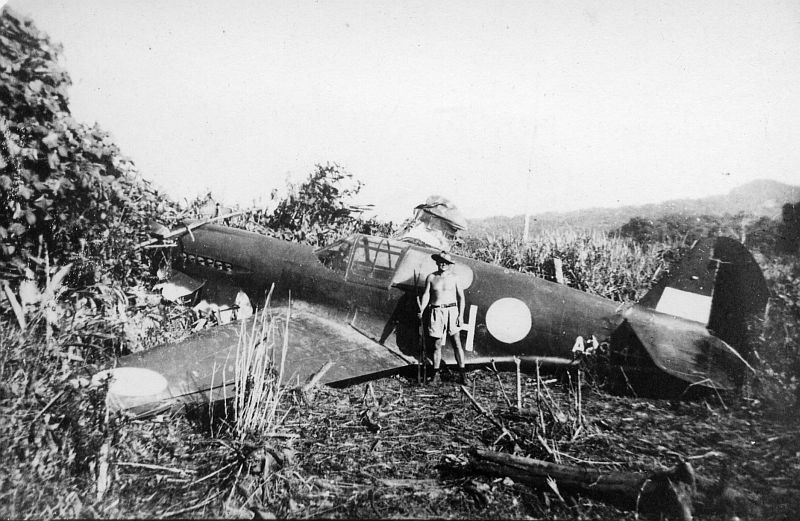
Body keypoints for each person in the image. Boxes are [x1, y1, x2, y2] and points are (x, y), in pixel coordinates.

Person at [418, 251, 468, 384]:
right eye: (441, 261)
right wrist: (422, 309)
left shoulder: (455, 278)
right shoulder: (431, 277)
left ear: (449, 264)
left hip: (452, 311)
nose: (443, 264)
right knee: (436, 344)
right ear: (437, 262)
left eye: (446, 262)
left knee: (457, 343)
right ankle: (435, 375)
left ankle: (463, 375)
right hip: (436, 311)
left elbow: (461, 298)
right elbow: (427, 295)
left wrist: (460, 315)